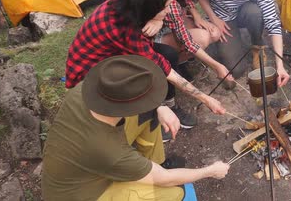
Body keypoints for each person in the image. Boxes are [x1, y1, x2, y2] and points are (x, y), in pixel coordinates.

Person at [44, 55, 229, 200]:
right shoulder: (109, 151)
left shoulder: (84, 91)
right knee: (174, 193)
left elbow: (135, 102)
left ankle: (155, 163)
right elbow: (165, 179)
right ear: (125, 107)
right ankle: (147, 173)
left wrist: (159, 107)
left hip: (82, 164)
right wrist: (210, 171)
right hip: (85, 194)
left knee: (148, 113)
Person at [65, 0, 225, 136]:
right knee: (146, 77)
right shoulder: (126, 31)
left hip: (114, 56)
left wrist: (158, 19)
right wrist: (206, 99)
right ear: (150, 9)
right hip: (91, 77)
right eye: (166, 7)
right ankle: (150, 121)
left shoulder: (128, 2)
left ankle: (168, 105)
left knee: (168, 54)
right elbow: (166, 71)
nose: (170, 10)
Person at [199, 0, 289, 86]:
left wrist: (280, 65)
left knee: (255, 13)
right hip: (223, 18)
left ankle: (257, 46)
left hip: (245, 11)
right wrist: (213, 18)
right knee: (236, 70)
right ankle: (224, 44)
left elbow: (273, 22)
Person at [142, 0, 231, 83]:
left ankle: (181, 59)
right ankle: (173, 62)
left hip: (167, 25)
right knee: (202, 38)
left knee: (214, 32)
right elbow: (187, 41)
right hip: (151, 38)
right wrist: (217, 66)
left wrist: (196, 15)